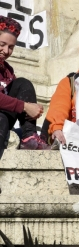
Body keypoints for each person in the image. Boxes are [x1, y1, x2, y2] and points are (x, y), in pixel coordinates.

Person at [0, 16, 49, 155]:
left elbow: (17, 95)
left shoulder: (8, 70)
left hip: (3, 118)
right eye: (2, 44)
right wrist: (25, 107)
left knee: (23, 84)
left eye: (11, 47)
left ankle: (29, 137)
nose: (6, 51)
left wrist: (32, 107)